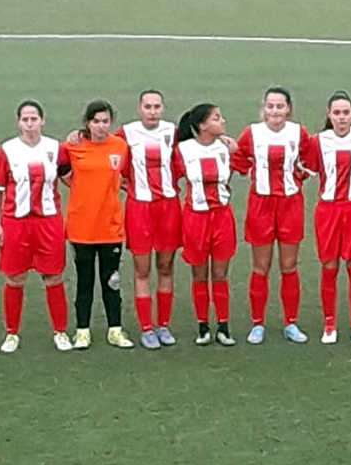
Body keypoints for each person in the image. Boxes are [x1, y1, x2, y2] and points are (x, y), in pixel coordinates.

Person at [0, 100, 73, 354]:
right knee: (15, 278)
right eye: (25, 119)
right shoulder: (6, 151)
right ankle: (12, 333)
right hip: (16, 223)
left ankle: (60, 332)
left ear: (42, 121)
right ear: (19, 122)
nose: (29, 124)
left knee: (53, 276)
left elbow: (70, 179)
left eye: (34, 119)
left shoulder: (56, 149)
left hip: (48, 222)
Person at [231, 86, 311, 345]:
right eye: (270, 106)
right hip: (261, 205)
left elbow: (310, 162)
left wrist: (297, 177)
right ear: (264, 109)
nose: (275, 111)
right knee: (260, 267)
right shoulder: (252, 133)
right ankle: (258, 324)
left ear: (288, 109)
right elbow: (238, 162)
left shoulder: (298, 133)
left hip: (290, 204)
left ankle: (291, 323)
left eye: (280, 106)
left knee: (289, 266)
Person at [301, 91, 351, 344]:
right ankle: (329, 325)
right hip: (328, 211)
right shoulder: (318, 141)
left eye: (346, 113)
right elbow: (303, 168)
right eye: (337, 113)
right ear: (329, 115)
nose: (342, 118)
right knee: (329, 267)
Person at [63, 100, 133, 350]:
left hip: (110, 227)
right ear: (87, 123)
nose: (101, 126)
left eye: (105, 121)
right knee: (84, 281)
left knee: (111, 281)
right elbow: (61, 172)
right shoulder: (73, 146)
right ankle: (82, 331)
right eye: (96, 121)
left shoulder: (120, 146)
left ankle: (115, 330)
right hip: (81, 227)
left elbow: (127, 177)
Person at [117, 90, 182, 350]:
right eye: (148, 106)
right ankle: (146, 327)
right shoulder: (126, 133)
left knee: (166, 267)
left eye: (157, 106)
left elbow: (192, 151)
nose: (152, 111)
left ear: (163, 108)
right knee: (142, 269)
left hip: (168, 207)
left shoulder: (172, 132)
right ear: (139, 108)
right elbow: (107, 155)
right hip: (140, 209)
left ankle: (163, 325)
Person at [173, 103, 238, 347]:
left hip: (222, 217)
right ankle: (203, 326)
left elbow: (242, 165)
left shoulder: (226, 148)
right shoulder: (183, 150)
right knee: (199, 274)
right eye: (216, 118)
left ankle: (223, 325)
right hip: (195, 219)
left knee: (220, 274)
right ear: (202, 126)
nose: (223, 121)